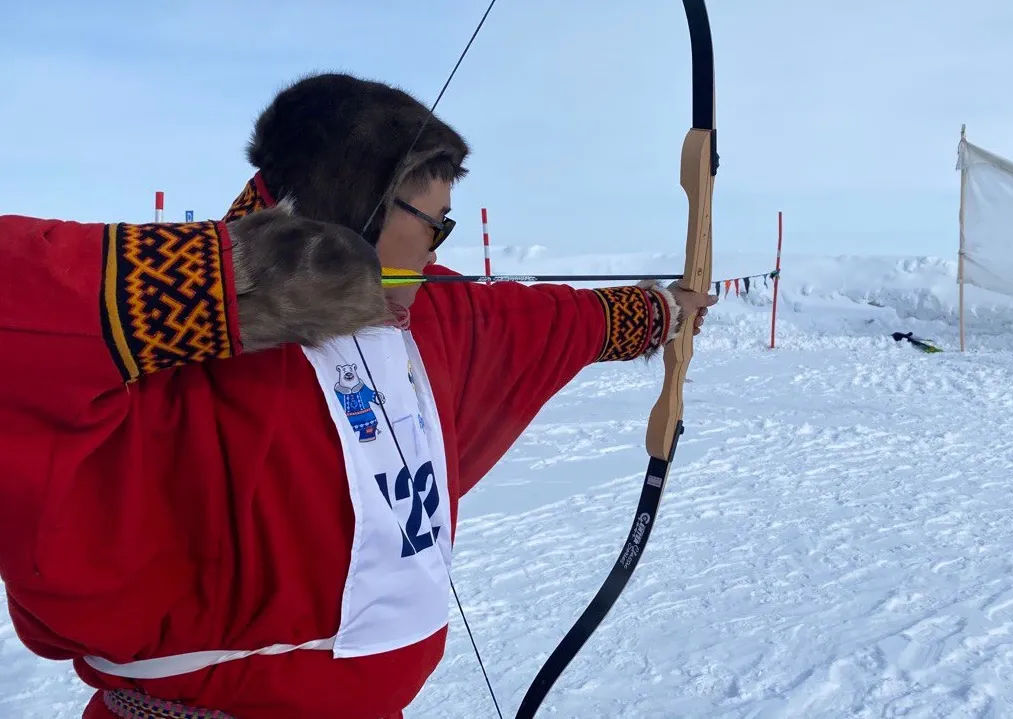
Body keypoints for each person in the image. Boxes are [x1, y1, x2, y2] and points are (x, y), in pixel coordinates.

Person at [0, 72, 716, 719]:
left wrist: (663, 313)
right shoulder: (181, 351)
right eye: (432, 221)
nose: (438, 247)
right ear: (366, 203)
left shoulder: (431, 320)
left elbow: (554, 322)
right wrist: (249, 281)